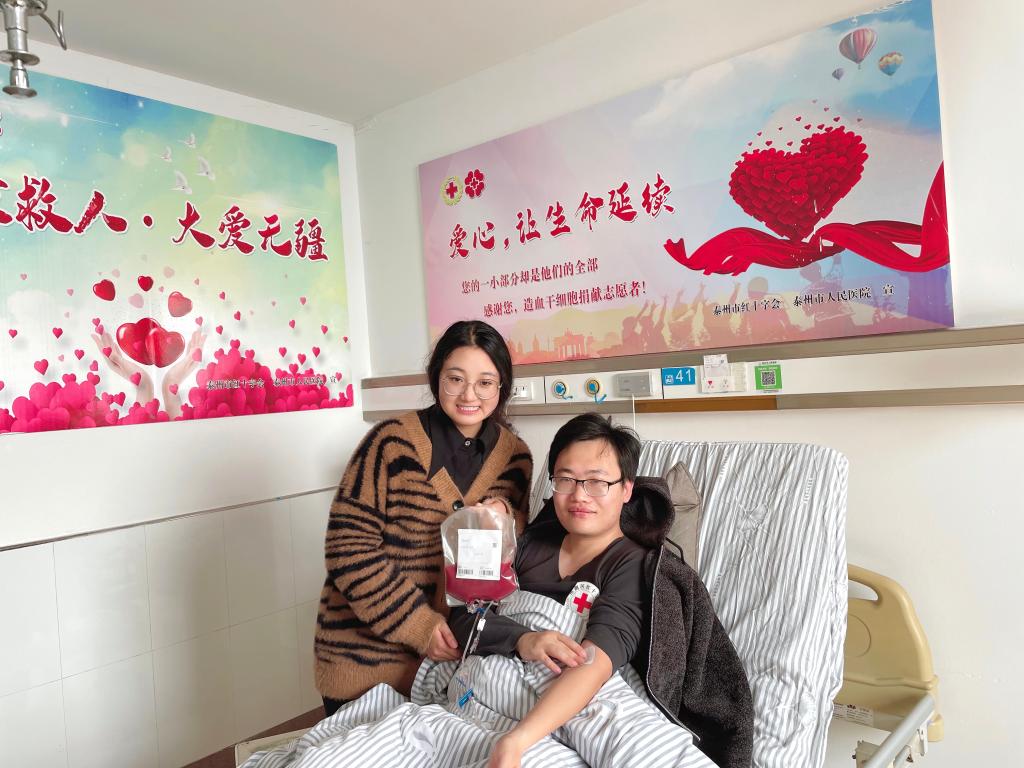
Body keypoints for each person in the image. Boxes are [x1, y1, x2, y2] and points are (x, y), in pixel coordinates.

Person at [451, 413, 753, 768]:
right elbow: (465, 615)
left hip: (571, 700)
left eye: (596, 482)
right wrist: (523, 639)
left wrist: (515, 742)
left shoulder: (634, 565)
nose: (579, 495)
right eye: (566, 479)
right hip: (488, 692)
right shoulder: (528, 544)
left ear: (626, 489)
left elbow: (594, 665)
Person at [314, 320, 533, 716]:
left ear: (502, 387)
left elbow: (514, 553)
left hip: (450, 672)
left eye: (485, 382)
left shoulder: (515, 456)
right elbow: (347, 548)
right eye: (456, 379)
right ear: (437, 379)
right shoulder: (391, 443)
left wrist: (507, 517)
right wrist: (419, 627)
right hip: (365, 664)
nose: (469, 395)